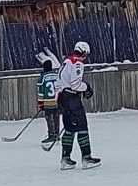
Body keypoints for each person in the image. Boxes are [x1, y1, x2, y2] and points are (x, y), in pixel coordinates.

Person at [54, 41, 100, 170]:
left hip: (62, 97)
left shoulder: (66, 61)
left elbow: (58, 83)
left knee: (69, 128)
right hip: (72, 98)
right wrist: (86, 87)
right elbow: (75, 84)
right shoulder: (77, 64)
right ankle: (87, 157)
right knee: (82, 127)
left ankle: (65, 158)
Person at [37, 58, 60, 150]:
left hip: (48, 101)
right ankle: (57, 134)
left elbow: (41, 92)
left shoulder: (42, 78)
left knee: (49, 118)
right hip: (57, 100)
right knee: (56, 117)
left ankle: (51, 134)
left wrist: (40, 104)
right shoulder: (56, 75)